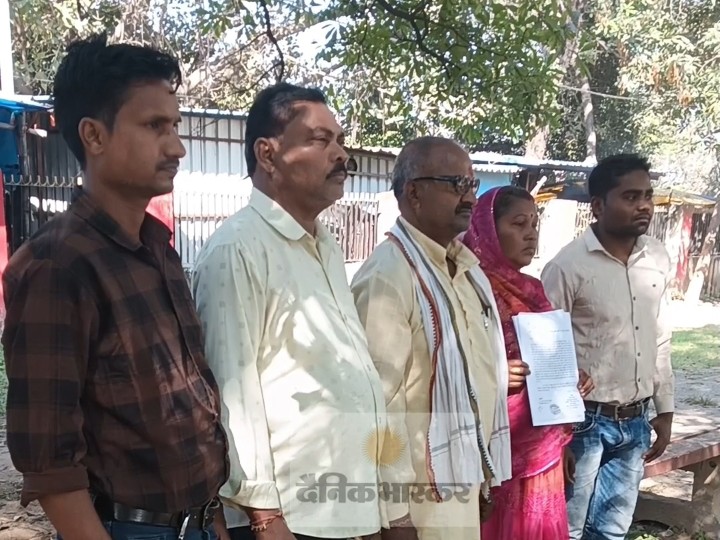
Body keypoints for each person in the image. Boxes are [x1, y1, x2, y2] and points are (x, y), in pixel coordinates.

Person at [2, 34, 228, 540]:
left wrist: (211, 521)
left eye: (175, 126)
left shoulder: (159, 251)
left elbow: (191, 414)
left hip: (198, 522)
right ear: (94, 135)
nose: (177, 147)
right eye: (154, 126)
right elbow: (49, 463)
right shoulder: (58, 266)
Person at [192, 83, 385, 540]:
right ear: (268, 154)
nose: (341, 155)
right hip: (285, 520)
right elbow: (232, 391)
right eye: (320, 140)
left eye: (340, 141)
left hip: (341, 507)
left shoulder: (326, 245)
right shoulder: (238, 249)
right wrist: (264, 516)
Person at [350, 136, 512, 540]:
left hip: (461, 482)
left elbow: (477, 381)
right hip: (419, 501)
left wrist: (482, 473)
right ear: (414, 193)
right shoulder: (389, 275)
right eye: (456, 184)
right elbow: (376, 406)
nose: (469, 198)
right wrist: (396, 517)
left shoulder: (467, 271)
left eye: (472, 185)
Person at [541, 154, 674, 540]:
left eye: (647, 196)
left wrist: (665, 409)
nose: (644, 205)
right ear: (598, 206)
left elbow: (659, 335)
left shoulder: (657, 257)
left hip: (636, 420)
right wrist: (556, 436)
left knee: (612, 530)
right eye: (631, 197)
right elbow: (545, 353)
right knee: (567, 530)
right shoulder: (567, 267)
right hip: (583, 422)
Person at [462, 186, 595, 539]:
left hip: (542, 451)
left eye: (534, 224)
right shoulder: (466, 289)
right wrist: (495, 375)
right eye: (518, 223)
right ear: (487, 230)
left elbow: (549, 359)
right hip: (492, 452)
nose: (530, 234)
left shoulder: (533, 290)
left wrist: (571, 378)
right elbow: (446, 365)